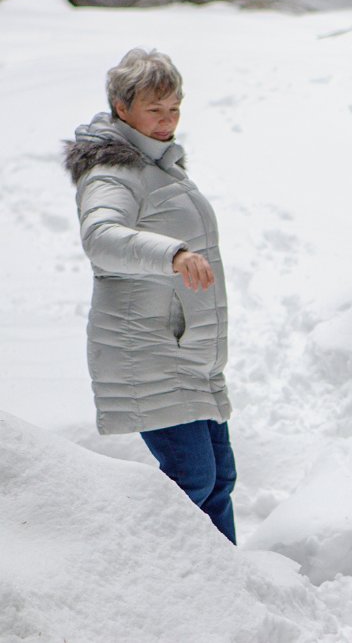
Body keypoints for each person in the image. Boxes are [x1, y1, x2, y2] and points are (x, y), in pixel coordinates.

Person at [64, 48, 236, 543]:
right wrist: (173, 254)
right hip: (147, 350)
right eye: (154, 110)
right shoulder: (111, 172)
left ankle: (232, 590)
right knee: (192, 482)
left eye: (174, 109)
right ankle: (150, 584)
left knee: (219, 481)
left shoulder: (159, 165)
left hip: (184, 351)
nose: (167, 121)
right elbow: (101, 237)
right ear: (123, 108)